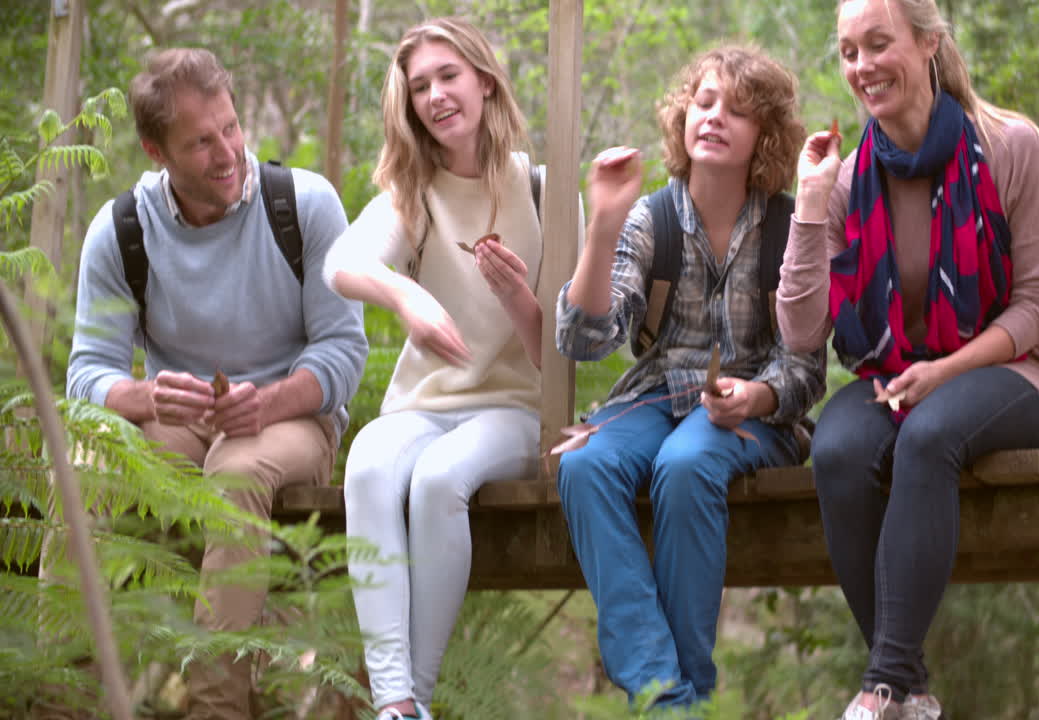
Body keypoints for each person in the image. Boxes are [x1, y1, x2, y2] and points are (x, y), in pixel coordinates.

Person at [777, 0, 1039, 718]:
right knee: (839, 450)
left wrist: (948, 371)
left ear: (929, 44)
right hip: (897, 379)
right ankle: (912, 697)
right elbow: (801, 331)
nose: (862, 66)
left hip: (1010, 375)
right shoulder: (844, 182)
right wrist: (809, 208)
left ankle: (881, 690)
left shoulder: (1008, 146)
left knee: (931, 435)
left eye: (879, 44)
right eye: (848, 52)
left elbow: (1037, 306)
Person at [65, 48, 367, 719]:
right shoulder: (120, 232)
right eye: (201, 142)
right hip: (177, 420)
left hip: (292, 419)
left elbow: (344, 351)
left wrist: (268, 402)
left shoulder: (305, 205)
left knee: (234, 472)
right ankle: (62, 696)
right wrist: (141, 397)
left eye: (230, 128)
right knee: (83, 464)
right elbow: (87, 369)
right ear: (155, 151)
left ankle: (215, 705)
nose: (227, 152)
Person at [556, 45, 824, 710]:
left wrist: (757, 395)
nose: (714, 117)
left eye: (737, 110)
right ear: (682, 117)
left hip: (752, 417)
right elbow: (586, 338)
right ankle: (663, 691)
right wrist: (603, 227)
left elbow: (806, 367)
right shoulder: (652, 217)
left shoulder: (790, 227)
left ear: (766, 135)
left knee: (685, 464)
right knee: (583, 461)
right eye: (703, 103)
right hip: (650, 400)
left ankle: (682, 692)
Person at [322, 17, 567, 720]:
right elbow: (341, 264)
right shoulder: (414, 193)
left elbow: (558, 356)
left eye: (448, 77)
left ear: (485, 82)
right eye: (419, 86)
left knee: (437, 482)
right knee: (368, 461)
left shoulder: (545, 192)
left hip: (516, 412)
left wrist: (517, 297)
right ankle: (393, 702)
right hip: (423, 408)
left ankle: (412, 699)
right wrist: (405, 294)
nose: (434, 96)